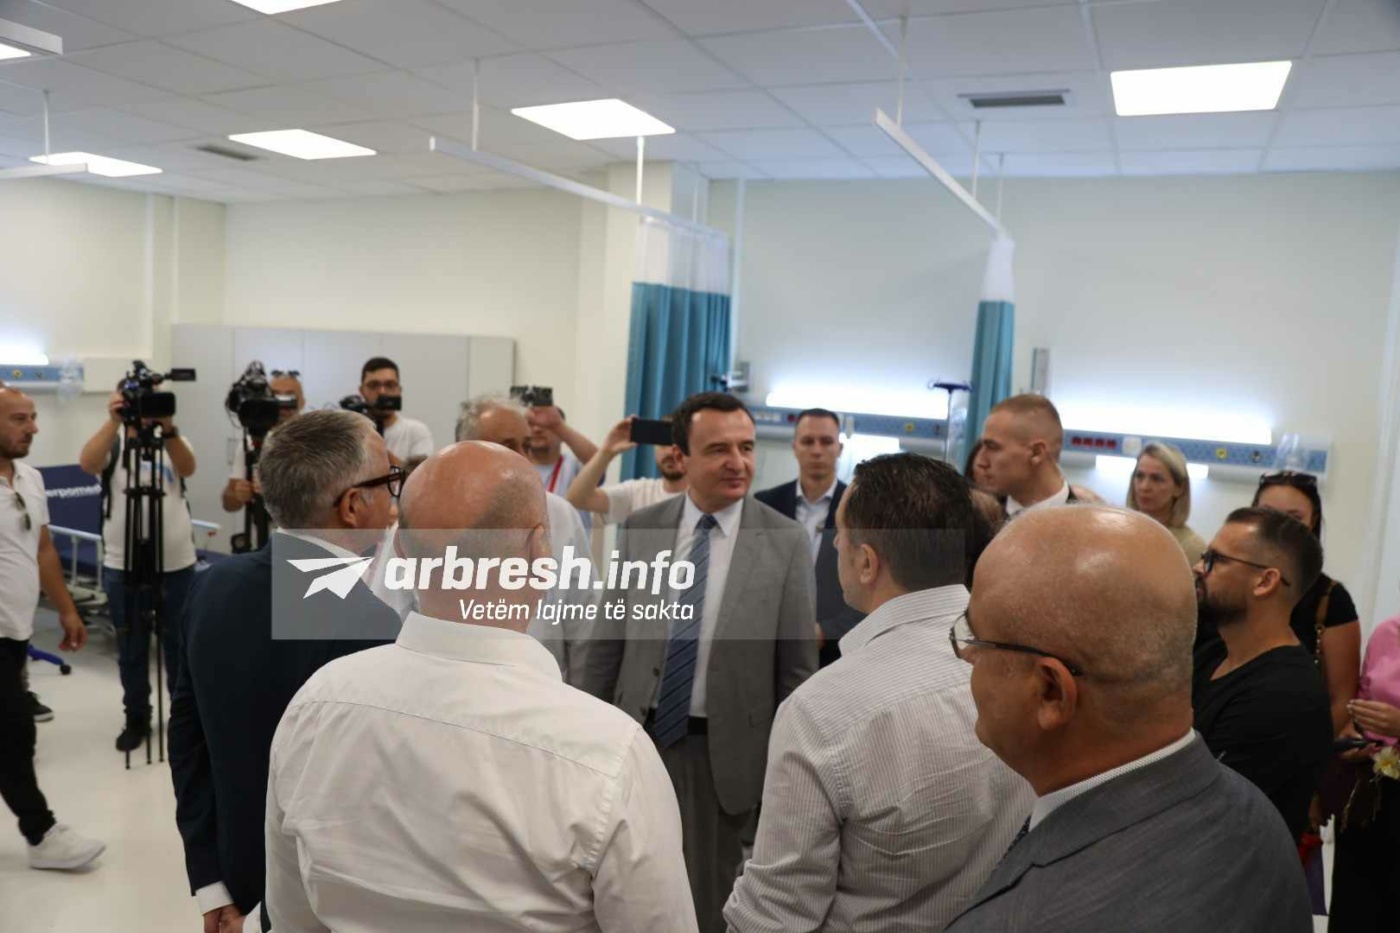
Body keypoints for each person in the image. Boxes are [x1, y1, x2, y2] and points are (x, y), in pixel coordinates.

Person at [264, 441, 698, 932]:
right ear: (540, 550)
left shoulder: (316, 704)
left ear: (400, 551)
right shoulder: (609, 754)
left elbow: (290, 916)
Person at [945, 506, 1311, 932]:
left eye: (977, 639)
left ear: (1050, 691)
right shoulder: (1256, 815)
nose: (966, 654)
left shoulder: (1021, 920)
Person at [725, 454, 1033, 932]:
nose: (834, 546)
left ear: (867, 562)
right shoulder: (1025, 671)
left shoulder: (822, 710)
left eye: (839, 535)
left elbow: (777, 915)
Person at [580, 391, 817, 932]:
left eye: (747, 448)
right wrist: (586, 733)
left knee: (705, 897)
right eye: (718, 450)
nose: (738, 462)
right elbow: (607, 644)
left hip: (725, 756)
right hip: (637, 739)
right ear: (680, 456)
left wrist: (785, 772)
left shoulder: (784, 540)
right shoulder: (643, 529)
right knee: (618, 885)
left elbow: (796, 671)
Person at [169, 410, 401, 933]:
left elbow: (187, 740)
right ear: (352, 505)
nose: (394, 498)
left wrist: (211, 884)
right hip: (318, 905)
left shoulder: (210, 587)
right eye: (388, 481)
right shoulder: (373, 627)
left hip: (234, 878)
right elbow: (359, 804)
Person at [0, 386, 105, 871]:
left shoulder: (30, 478)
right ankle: (41, 833)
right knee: (15, 732)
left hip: (15, 629)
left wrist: (66, 609)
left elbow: (42, 548)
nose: (34, 428)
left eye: (33, 417)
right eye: (19, 419)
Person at [1192, 507, 1334, 841]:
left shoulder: (1285, 696)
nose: (1199, 568)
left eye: (1215, 560)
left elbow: (1203, 812)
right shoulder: (1211, 653)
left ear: (1265, 581)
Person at [78, 383, 198, 753]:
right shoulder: (113, 445)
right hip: (123, 565)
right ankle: (136, 716)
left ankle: (183, 718)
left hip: (177, 565)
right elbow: (88, 463)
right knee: (131, 648)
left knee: (179, 647)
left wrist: (168, 427)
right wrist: (114, 421)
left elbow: (188, 467)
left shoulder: (173, 441)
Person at [451, 394, 595, 682]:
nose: (522, 458)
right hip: (450, 686)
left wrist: (581, 697)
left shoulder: (559, 515)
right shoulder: (428, 512)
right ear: (466, 452)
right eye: (508, 446)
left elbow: (584, 623)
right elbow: (396, 613)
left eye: (526, 446)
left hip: (542, 688)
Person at [1252, 470, 1361, 735]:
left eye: (1294, 518)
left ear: (1313, 522)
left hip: (1300, 743)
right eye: (1268, 513)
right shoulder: (1225, 582)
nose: (1279, 527)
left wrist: (1306, 750)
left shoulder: (1331, 599)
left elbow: (1343, 700)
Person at [755, 408, 864, 667]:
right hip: (768, 651)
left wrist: (826, 631)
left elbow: (871, 584)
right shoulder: (764, 505)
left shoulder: (861, 509)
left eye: (826, 442)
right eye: (807, 441)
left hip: (835, 656)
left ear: (839, 448)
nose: (817, 450)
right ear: (794, 447)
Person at [1329, 612, 1400, 931]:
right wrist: (1352, 736)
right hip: (1372, 795)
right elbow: (1360, 705)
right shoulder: (1388, 631)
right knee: (1356, 910)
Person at [565, 415, 686, 526]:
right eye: (663, 444)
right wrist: (606, 452)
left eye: (678, 446)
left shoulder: (698, 500)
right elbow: (577, 499)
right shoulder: (638, 493)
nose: (670, 452)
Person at [974, 396, 1082, 516]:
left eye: (992, 447)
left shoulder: (1086, 524)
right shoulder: (975, 516)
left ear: (1036, 453)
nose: (980, 462)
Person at [221, 369, 305, 514]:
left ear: (302, 402)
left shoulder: (317, 441)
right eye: (276, 396)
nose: (282, 404)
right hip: (262, 525)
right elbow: (228, 504)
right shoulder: (252, 441)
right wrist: (239, 494)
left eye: (289, 396)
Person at [1126, 441, 1206, 561]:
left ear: (1179, 488)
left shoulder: (1191, 547)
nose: (1144, 486)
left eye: (1157, 479)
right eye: (1139, 476)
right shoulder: (1120, 533)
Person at [525, 401, 599, 528]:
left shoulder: (573, 465)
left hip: (569, 540)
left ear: (561, 432)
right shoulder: (517, 466)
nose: (537, 429)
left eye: (546, 425)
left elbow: (599, 461)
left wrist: (558, 425)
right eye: (531, 424)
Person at [359, 357, 434, 469]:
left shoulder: (416, 431)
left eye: (390, 385)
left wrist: (377, 450)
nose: (382, 392)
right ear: (362, 391)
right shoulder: (351, 432)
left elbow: (420, 475)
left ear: (399, 390)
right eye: (373, 385)